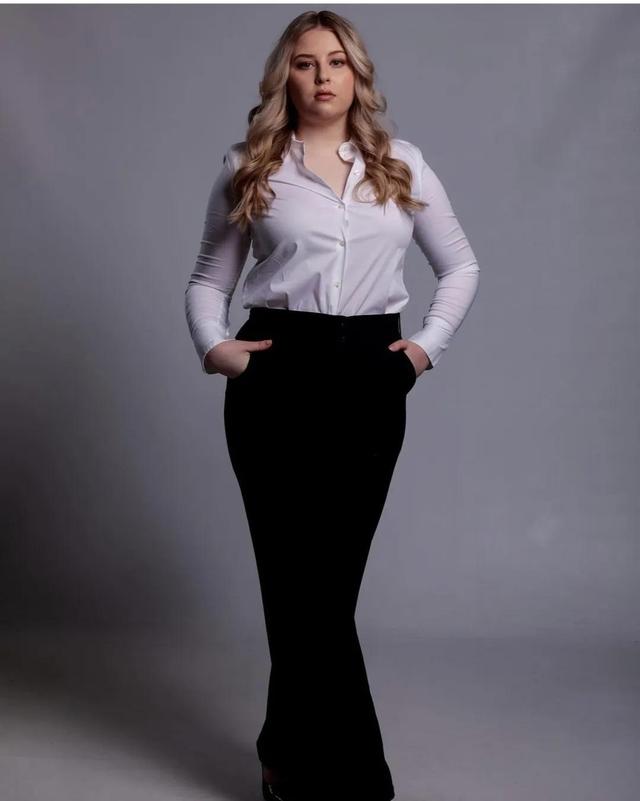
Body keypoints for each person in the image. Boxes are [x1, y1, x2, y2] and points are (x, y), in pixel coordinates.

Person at [185, 10, 480, 801]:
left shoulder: (402, 164)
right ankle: (355, 780)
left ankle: (283, 750)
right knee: (294, 582)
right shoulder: (250, 164)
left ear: (357, 75)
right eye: (307, 62)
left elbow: (460, 266)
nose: (323, 77)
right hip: (276, 378)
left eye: (337, 62)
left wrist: (422, 349)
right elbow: (209, 278)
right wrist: (215, 346)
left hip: (369, 380)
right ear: (285, 75)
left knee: (326, 589)